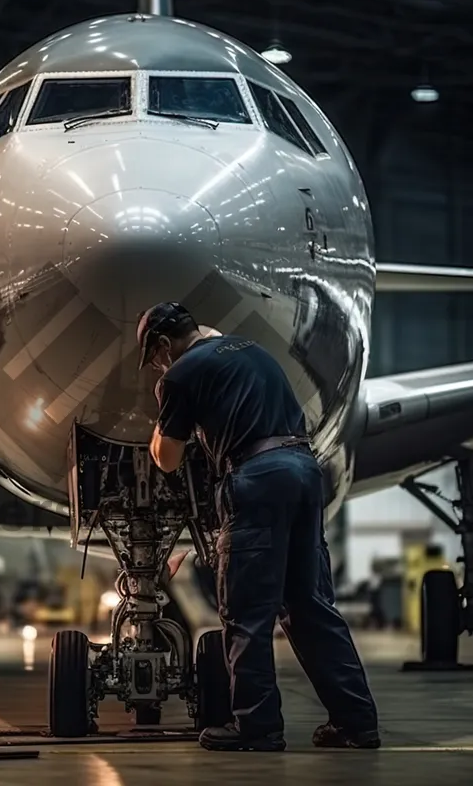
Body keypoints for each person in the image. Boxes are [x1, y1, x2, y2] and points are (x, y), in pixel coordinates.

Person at [137, 301, 379, 753]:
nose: (156, 365)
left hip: (256, 478)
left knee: (246, 613)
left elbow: (167, 459)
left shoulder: (180, 373)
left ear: (164, 345)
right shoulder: (251, 350)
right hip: (305, 472)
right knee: (310, 606)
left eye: (154, 357)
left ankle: (256, 727)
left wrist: (160, 414)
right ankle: (356, 722)